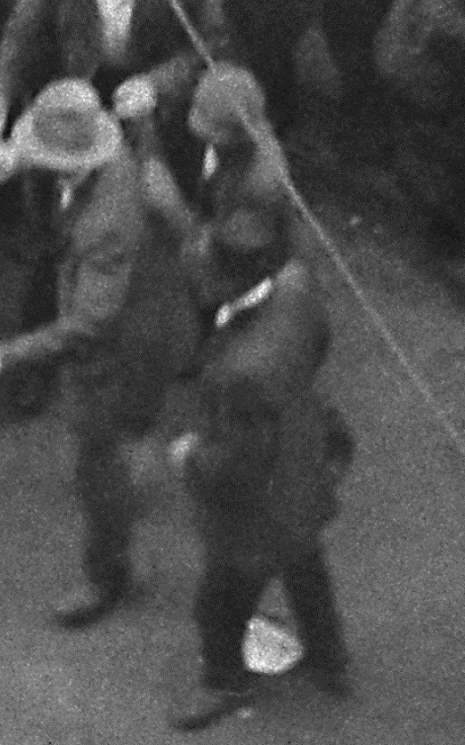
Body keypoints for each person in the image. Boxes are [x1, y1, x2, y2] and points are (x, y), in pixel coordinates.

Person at [0, 79, 202, 630]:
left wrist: (8, 353)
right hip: (157, 322)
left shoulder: (105, 225)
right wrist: (19, 160)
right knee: (132, 432)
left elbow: (91, 323)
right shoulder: (115, 150)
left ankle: (107, 576)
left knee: (98, 469)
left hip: (117, 356)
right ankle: (134, 462)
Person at [169, 198, 353, 728]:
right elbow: (319, 343)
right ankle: (328, 656)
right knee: (304, 562)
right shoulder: (295, 286)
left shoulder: (243, 369)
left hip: (258, 506)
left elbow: (237, 465)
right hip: (305, 459)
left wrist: (190, 457)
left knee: (220, 601)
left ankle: (223, 680)